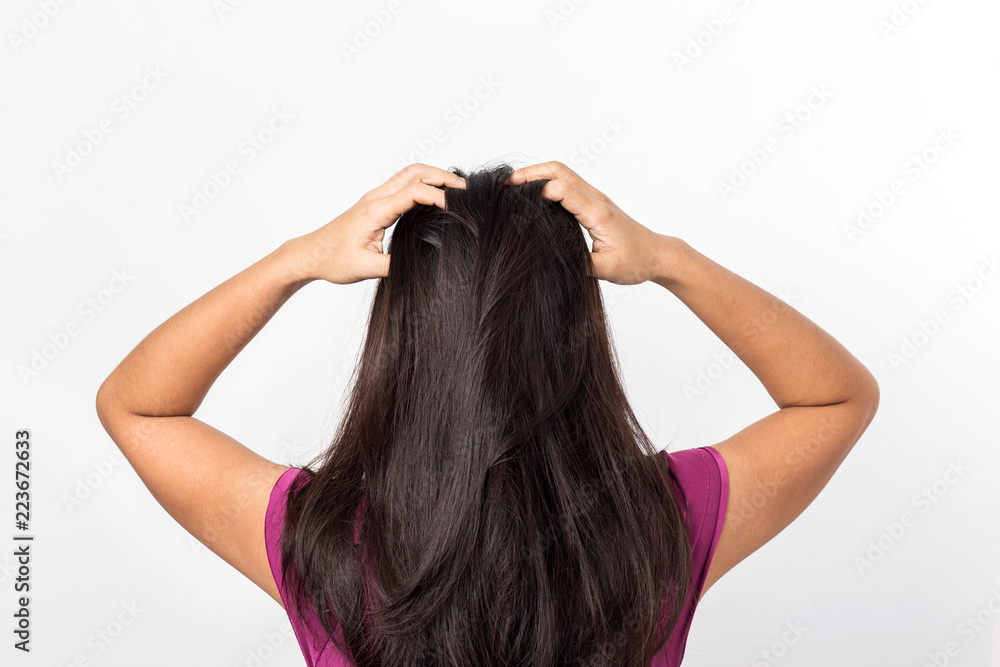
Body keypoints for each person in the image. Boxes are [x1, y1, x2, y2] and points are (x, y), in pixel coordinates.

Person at [95, 161, 880, 666]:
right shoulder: (662, 524)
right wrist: (665, 259)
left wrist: (299, 259)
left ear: (403, 336)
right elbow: (835, 396)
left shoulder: (323, 545)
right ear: (576, 333)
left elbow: (138, 407)